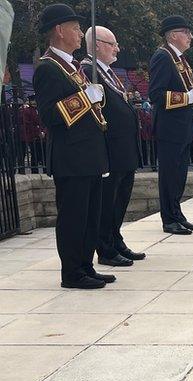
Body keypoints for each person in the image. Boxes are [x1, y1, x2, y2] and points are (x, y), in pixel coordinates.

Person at [33, 3, 114, 289]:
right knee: (73, 217)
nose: (81, 34)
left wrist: (94, 97)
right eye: (76, 28)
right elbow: (50, 115)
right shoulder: (47, 68)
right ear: (59, 30)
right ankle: (72, 272)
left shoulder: (71, 65)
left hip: (89, 154)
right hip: (71, 156)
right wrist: (85, 99)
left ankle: (85, 265)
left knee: (91, 215)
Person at [81, 25, 145, 268]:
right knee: (109, 200)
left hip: (123, 147)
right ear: (97, 45)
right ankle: (106, 248)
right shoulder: (89, 70)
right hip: (110, 147)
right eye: (112, 44)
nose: (117, 48)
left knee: (120, 198)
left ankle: (115, 239)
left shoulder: (105, 71)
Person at [149, 15, 193, 235]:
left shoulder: (179, 59)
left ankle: (177, 213)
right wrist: (187, 98)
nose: (190, 36)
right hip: (170, 128)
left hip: (182, 127)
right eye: (185, 32)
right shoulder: (163, 57)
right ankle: (168, 218)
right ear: (173, 35)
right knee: (169, 174)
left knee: (180, 174)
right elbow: (156, 94)